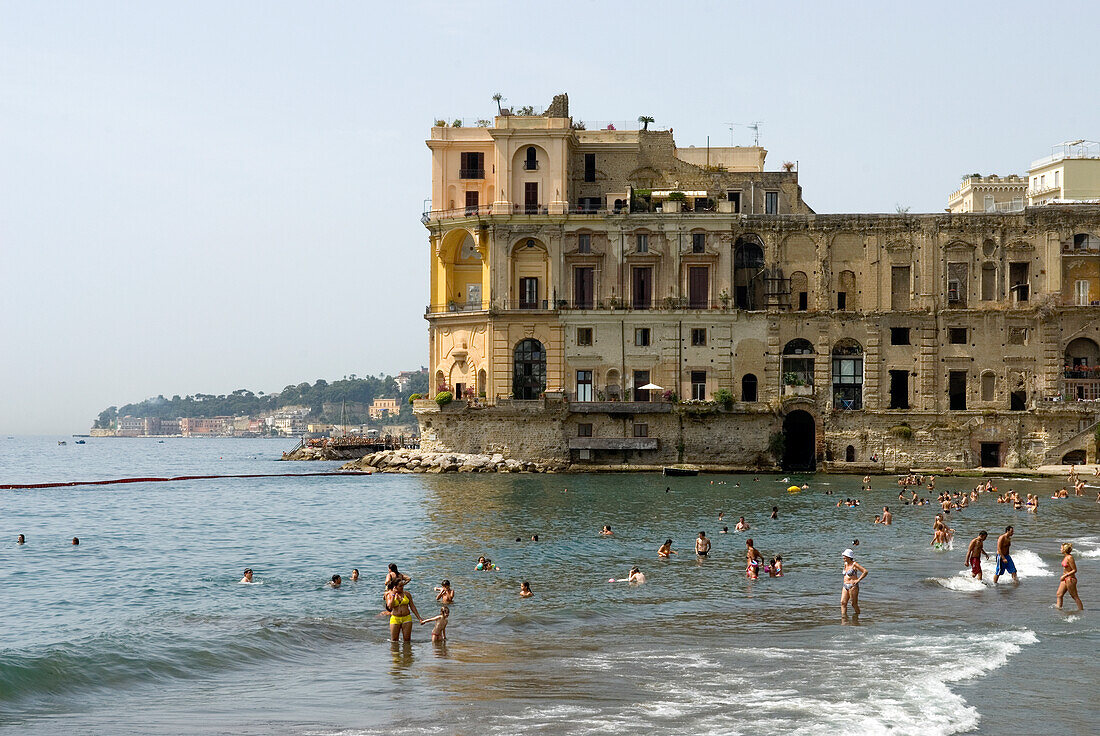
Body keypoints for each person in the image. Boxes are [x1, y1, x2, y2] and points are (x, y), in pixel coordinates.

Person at [1056, 543, 1083, 610]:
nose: (1060, 549)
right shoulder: (1066, 557)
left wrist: (1065, 575)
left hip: (1070, 579)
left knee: (1074, 596)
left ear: (1064, 549)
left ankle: (1081, 610)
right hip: (1065, 578)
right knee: (1059, 594)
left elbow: (1074, 570)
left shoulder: (1070, 558)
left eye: (1061, 548)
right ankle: (1058, 609)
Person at [841, 549, 867, 615]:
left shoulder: (854, 564)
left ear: (849, 557)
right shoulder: (845, 564)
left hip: (853, 586)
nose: (843, 557)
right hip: (845, 585)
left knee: (853, 604)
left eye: (844, 556)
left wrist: (858, 580)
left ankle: (857, 616)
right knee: (843, 602)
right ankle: (844, 619)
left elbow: (865, 571)